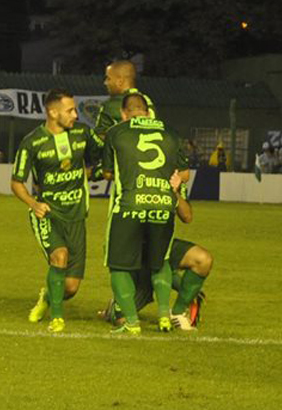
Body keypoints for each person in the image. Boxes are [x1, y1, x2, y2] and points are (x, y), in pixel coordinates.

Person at [11, 88, 103, 333]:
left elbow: (102, 157)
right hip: (48, 214)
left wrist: (91, 172)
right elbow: (16, 182)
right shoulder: (32, 142)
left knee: (70, 287)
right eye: (70, 110)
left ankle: (47, 297)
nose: (75, 114)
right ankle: (57, 318)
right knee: (59, 256)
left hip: (76, 217)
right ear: (53, 112)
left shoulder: (83, 134)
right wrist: (33, 203)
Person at [102, 93, 188, 334]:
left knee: (119, 266)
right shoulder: (170, 132)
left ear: (123, 113)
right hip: (163, 204)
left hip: (130, 205)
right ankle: (163, 316)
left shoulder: (117, 132)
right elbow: (184, 173)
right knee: (160, 261)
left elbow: (108, 173)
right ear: (148, 112)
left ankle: (131, 321)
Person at [100, 171, 212, 331]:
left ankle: (178, 313)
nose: (185, 171)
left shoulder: (175, 177)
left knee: (203, 259)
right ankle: (116, 306)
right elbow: (108, 174)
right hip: (132, 248)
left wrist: (175, 192)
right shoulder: (132, 169)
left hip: (160, 245)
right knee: (120, 318)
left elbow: (187, 216)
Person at [94, 60, 156, 140]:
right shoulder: (146, 100)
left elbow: (98, 139)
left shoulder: (111, 105)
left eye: (108, 78)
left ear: (120, 81)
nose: (105, 83)